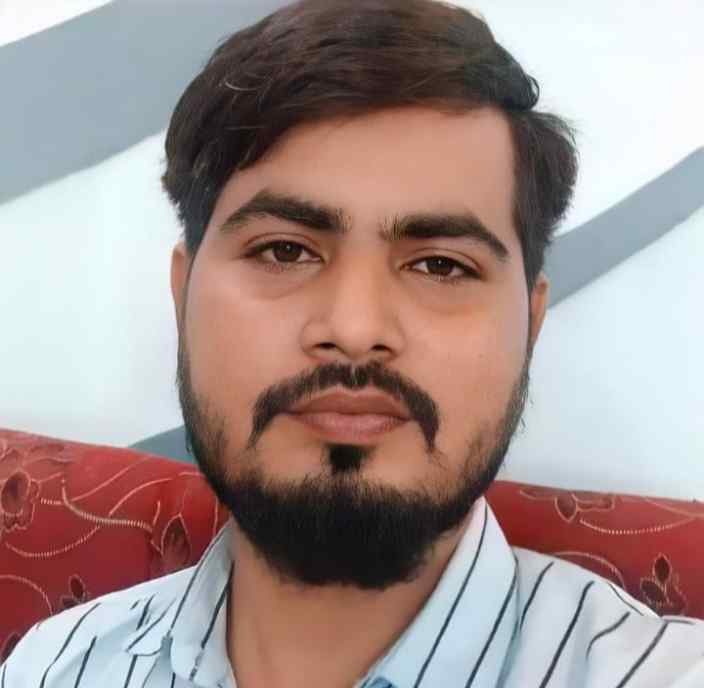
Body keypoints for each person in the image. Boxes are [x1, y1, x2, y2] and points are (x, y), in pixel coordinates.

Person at [4, 0, 704, 686]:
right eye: (283, 250)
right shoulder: (57, 665)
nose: (355, 328)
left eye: (441, 265)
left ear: (532, 322)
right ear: (183, 298)